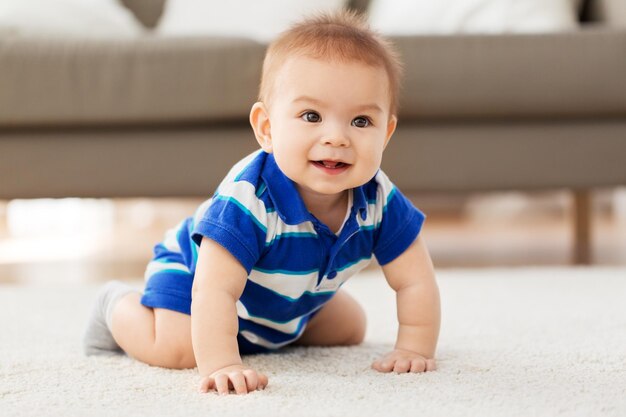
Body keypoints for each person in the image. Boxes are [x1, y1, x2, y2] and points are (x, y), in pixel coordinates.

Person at [83, 10, 441, 396]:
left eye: (360, 122)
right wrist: (222, 364)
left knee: (350, 327)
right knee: (179, 348)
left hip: (281, 296)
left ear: (386, 132)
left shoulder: (380, 199)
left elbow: (416, 280)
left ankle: (267, 326)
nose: (336, 137)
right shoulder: (248, 199)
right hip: (195, 278)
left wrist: (413, 348)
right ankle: (115, 305)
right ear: (267, 129)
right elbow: (215, 292)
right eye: (311, 116)